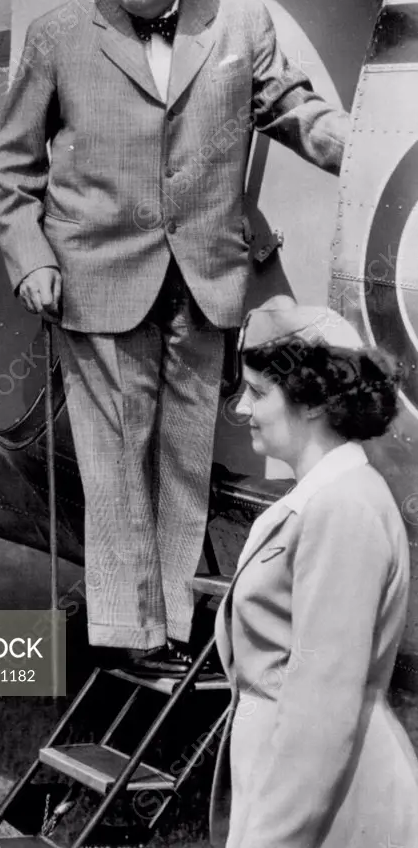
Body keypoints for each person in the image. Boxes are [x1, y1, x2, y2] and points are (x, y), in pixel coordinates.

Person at [0, 0, 349, 675]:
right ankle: (125, 639)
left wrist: (361, 154)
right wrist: (31, 261)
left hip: (206, 282)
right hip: (96, 282)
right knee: (116, 463)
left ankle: (176, 630)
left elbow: (295, 110)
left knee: (183, 460)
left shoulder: (242, 25)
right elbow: (11, 174)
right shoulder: (58, 36)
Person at [210, 294, 418, 847]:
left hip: (329, 799)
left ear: (310, 403)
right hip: (297, 779)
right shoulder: (325, 495)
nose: (241, 409)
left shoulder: (341, 509)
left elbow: (322, 708)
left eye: (258, 392)